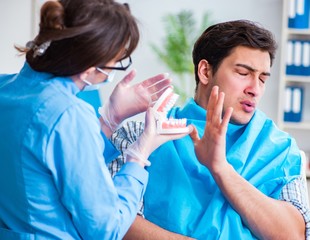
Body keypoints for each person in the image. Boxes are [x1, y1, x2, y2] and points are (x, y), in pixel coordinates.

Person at [0, 0, 193, 239]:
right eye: (117, 61)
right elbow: (106, 229)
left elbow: (50, 164)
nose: (113, 69)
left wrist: (111, 118)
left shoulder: (5, 89)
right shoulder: (68, 114)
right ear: (91, 65)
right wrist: (138, 156)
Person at [110, 19, 310, 239]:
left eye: (262, 78)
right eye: (243, 73)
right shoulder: (142, 135)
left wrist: (220, 168)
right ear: (205, 71)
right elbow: (114, 222)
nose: (255, 89)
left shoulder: (281, 148)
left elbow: (293, 235)